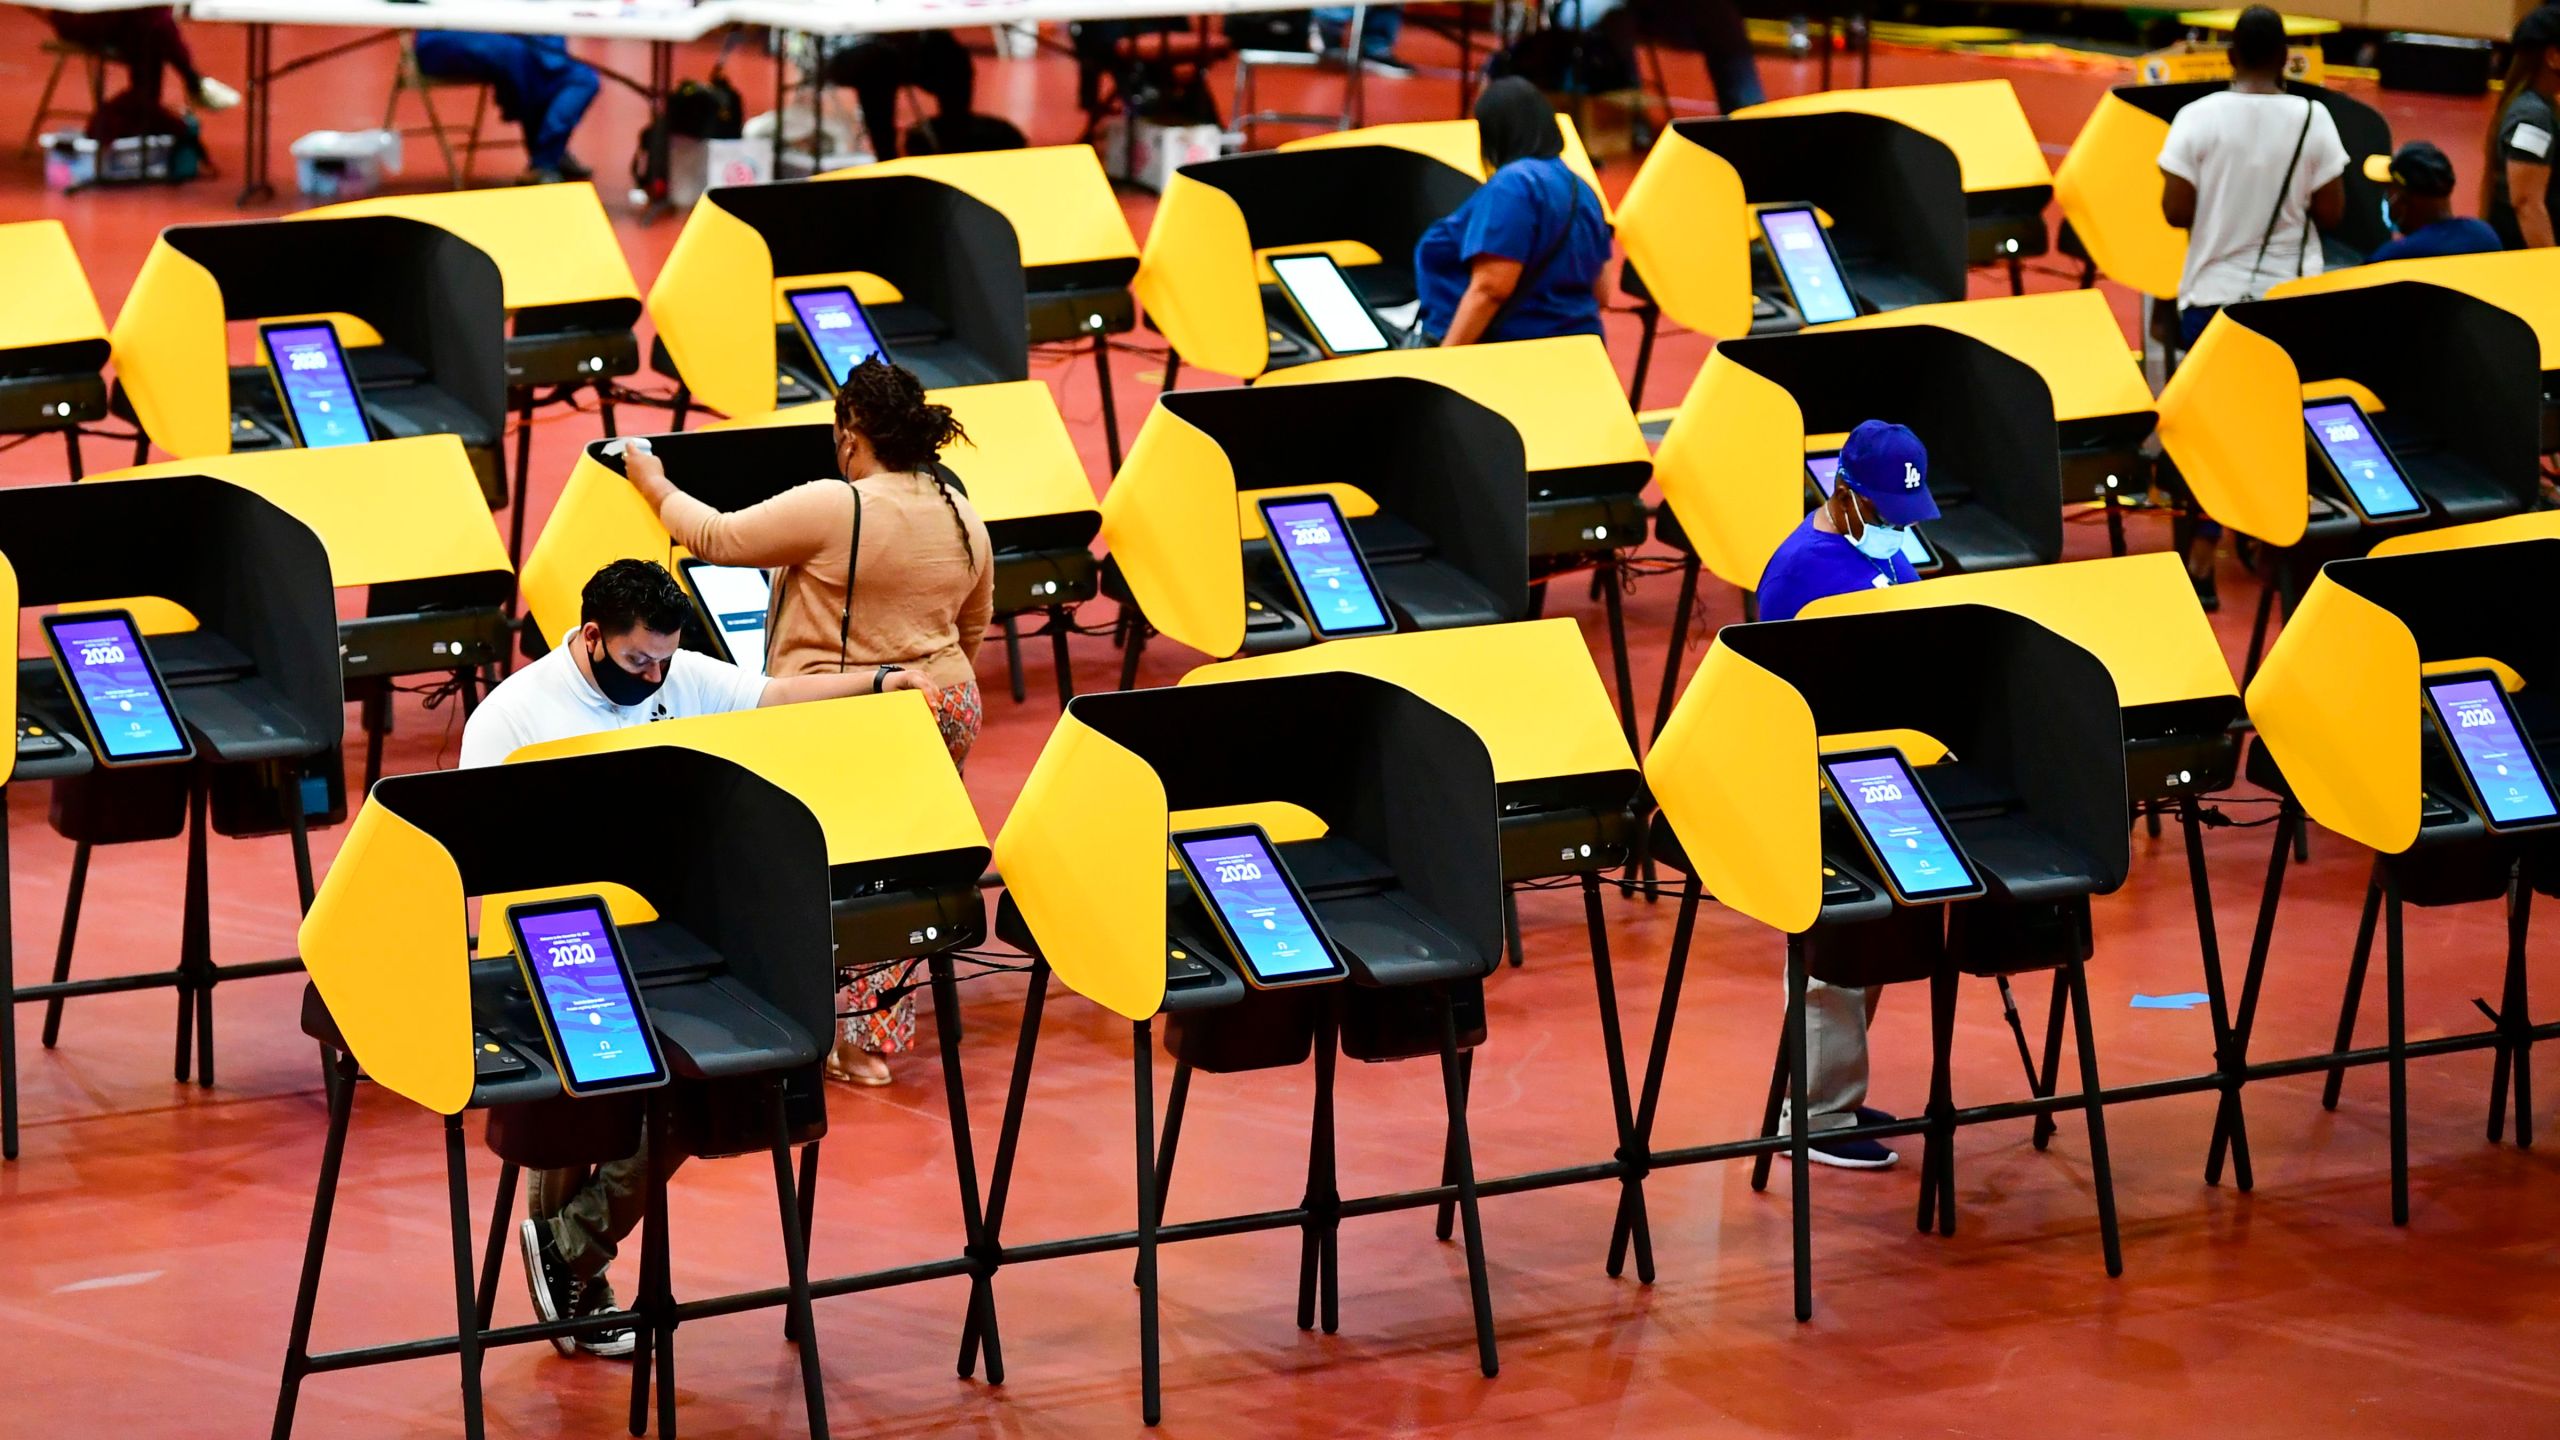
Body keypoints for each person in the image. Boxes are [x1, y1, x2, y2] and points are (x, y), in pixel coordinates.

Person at [464, 557, 934, 1356]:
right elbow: (488, 858)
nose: (653, 678)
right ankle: (575, 1262)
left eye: (664, 661)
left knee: (712, 1082)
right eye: (637, 661)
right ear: (591, 638)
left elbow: (776, 696)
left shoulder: (677, 676)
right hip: (557, 938)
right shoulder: (513, 718)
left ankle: (567, 1248)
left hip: (674, 931)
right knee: (601, 1101)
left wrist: (881, 680)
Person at [619, 357, 993, 1088]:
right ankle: (874, 1034)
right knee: (898, 870)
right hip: (946, 705)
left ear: (851, 432)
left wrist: (650, 479)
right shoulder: (959, 510)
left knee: (837, 874)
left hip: (849, 715)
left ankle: (831, 1035)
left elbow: (716, 538)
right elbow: (973, 624)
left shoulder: (840, 503)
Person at [1755, 421, 1939, 1169]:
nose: (1899, 529)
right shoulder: (1801, 569)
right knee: (1834, 948)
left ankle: (1839, 1092)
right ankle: (1817, 1117)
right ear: (1845, 494)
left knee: (1875, 936)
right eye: (1887, 512)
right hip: (1822, 774)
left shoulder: (1888, 542)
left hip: (1884, 764)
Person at [2156, 4, 2347, 608]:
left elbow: (2176, 211)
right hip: (2286, 306)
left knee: (2207, 432)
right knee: (2276, 434)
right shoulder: (2315, 119)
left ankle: (2202, 554)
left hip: (2212, 300)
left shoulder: (2196, 117)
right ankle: (2274, 550)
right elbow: (2334, 213)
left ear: (2231, 57)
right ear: (2284, 57)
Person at [1413, 78, 1615, 347]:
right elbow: (1602, 293)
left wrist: (1446, 358)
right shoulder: (1584, 190)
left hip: (1511, 355)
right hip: (1580, 350)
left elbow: (1490, 288)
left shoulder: (1513, 185)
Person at [412, 31, 600, 185]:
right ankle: (545, 157)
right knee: (518, 58)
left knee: (582, 79)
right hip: (451, 32)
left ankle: (548, 154)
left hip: (518, 37)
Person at [43, 8, 239, 113]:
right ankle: (192, 79)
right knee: (153, 24)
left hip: (126, 19)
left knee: (151, 24)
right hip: (84, 16)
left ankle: (146, 109)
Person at [824, 31, 975, 160]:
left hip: (905, 41)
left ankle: (955, 149)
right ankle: (886, 160)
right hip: (845, 45)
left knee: (950, 54)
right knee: (876, 65)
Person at [2487, 4, 2560, 250]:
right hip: (2524, 261)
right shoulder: (2533, 117)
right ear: (2553, 57)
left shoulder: (2542, 105)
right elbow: (2527, 203)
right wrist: (2551, 272)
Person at [2368, 141, 2502, 263]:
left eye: (2388, 188)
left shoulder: (2390, 258)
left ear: (2402, 197)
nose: (2386, 196)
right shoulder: (2484, 236)